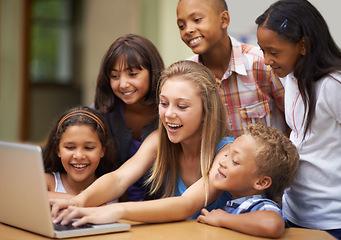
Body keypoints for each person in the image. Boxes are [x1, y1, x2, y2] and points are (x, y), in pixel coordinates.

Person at [50, 60, 234, 219]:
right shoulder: (159, 141)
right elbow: (119, 179)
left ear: (206, 111)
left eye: (182, 106)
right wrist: (78, 202)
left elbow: (186, 204)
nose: (169, 114)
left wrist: (114, 210)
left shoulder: (227, 153)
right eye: (163, 103)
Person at [52, 123, 299, 238]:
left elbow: (273, 224)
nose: (222, 161)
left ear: (261, 182)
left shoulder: (255, 204)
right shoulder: (235, 201)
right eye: (227, 154)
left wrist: (223, 218)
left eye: (234, 161)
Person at [255, 0, 341, 239]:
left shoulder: (333, 85)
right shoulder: (291, 76)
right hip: (293, 210)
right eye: (262, 50)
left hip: (331, 218)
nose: (267, 60)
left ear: (303, 46)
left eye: (274, 52)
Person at [176, 0, 287, 138]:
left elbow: (293, 121)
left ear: (224, 19)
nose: (188, 30)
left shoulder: (262, 63)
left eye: (197, 20)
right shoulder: (186, 76)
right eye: (181, 26)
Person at [93, 34, 165, 201]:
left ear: (152, 72)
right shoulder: (103, 113)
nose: (123, 84)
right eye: (115, 76)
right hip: (109, 205)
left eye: (132, 74)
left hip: (160, 210)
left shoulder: (170, 113)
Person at [44, 106, 117, 201]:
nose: (78, 156)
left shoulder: (111, 188)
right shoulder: (47, 182)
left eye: (88, 148)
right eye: (70, 147)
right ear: (57, 150)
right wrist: (81, 201)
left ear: (103, 150)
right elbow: (29, 195)